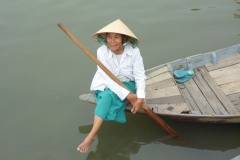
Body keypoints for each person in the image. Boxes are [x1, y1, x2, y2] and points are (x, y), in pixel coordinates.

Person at [77, 19, 146, 153]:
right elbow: (107, 79)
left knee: (107, 99)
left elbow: (140, 75)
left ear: (123, 38)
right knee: (107, 95)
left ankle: (93, 135)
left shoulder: (134, 51)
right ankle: (91, 136)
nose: (112, 41)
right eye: (109, 37)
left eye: (116, 37)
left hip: (128, 83)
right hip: (106, 83)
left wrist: (140, 98)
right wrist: (129, 96)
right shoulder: (101, 51)